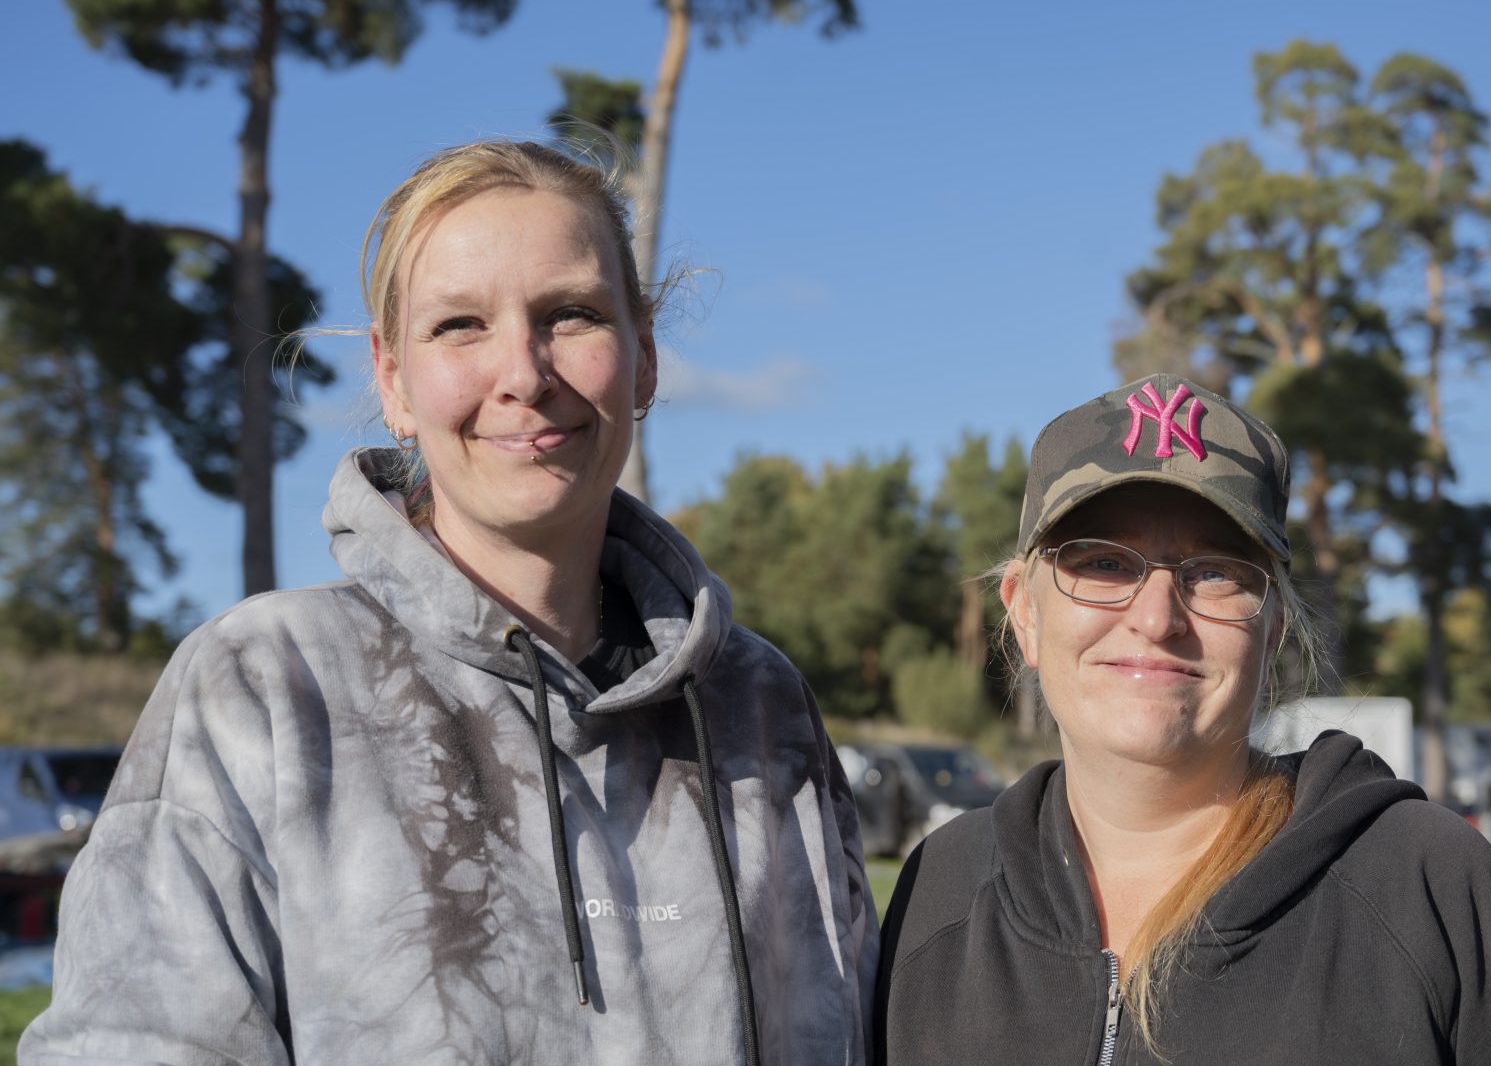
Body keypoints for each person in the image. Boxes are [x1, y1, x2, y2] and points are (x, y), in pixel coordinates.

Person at [23, 139, 877, 1066]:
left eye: (573, 314)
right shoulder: (265, 689)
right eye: (461, 325)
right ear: (393, 380)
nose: (524, 373)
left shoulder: (758, 705)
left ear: (643, 360)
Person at [873, 374, 1491, 1065]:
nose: (1157, 618)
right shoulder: (942, 889)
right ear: (1025, 612)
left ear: (1273, 626)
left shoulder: (1423, 881)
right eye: (1103, 564)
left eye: (1215, 571)